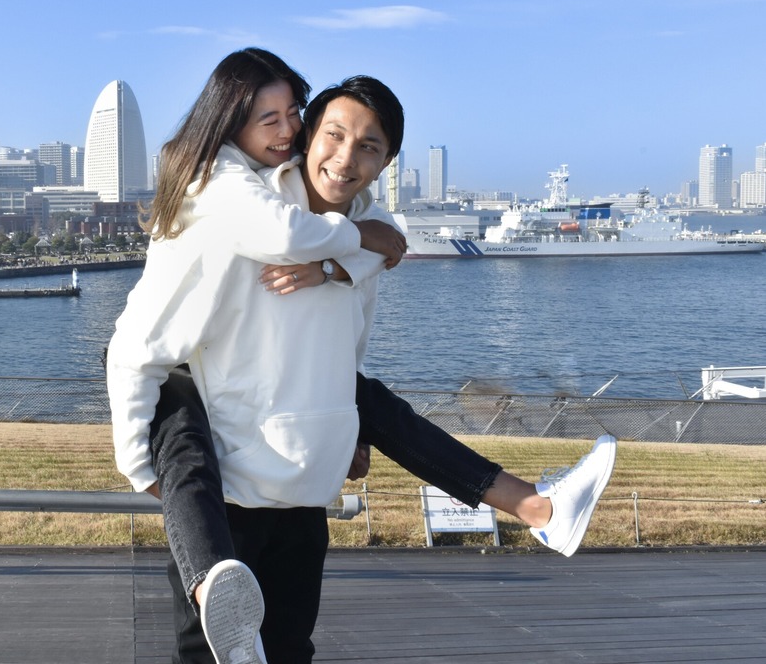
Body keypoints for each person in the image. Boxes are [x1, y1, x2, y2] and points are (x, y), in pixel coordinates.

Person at [108, 52, 616, 664]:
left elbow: (354, 330)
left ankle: (541, 508)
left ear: (386, 162)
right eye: (332, 135)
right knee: (211, 652)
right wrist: (140, 464)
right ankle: (537, 505)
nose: (345, 159)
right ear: (307, 140)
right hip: (231, 485)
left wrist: (337, 271)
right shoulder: (244, 211)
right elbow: (145, 342)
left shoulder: (372, 225)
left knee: (291, 648)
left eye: (369, 147)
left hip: (304, 482)